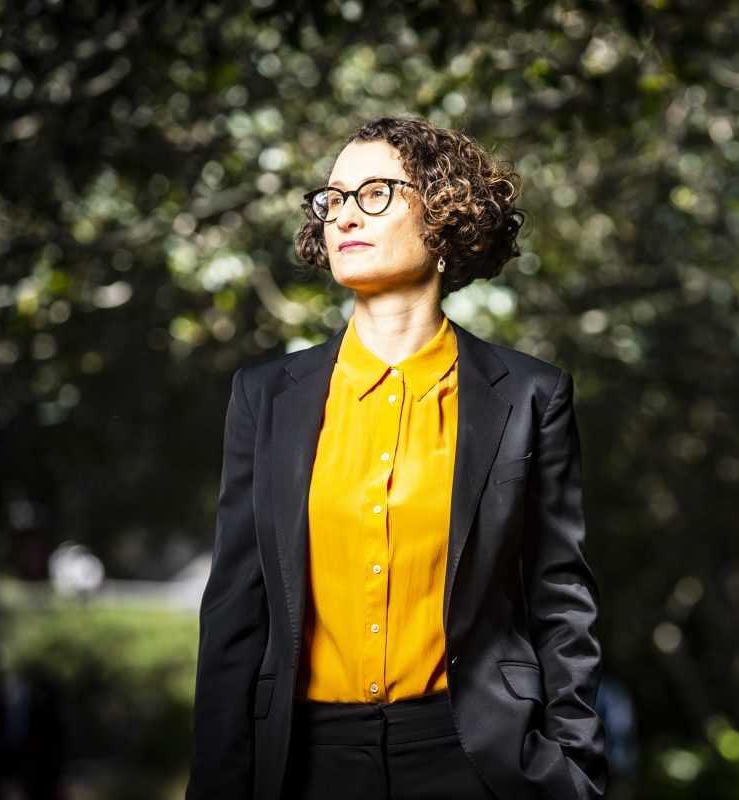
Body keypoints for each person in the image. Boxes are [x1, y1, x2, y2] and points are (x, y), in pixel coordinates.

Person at [187, 116, 604, 800]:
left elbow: (562, 600)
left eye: (374, 193)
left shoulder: (531, 396)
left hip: (479, 761)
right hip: (305, 764)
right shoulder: (266, 399)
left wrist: (575, 772)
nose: (345, 214)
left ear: (445, 214)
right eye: (333, 198)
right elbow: (235, 615)